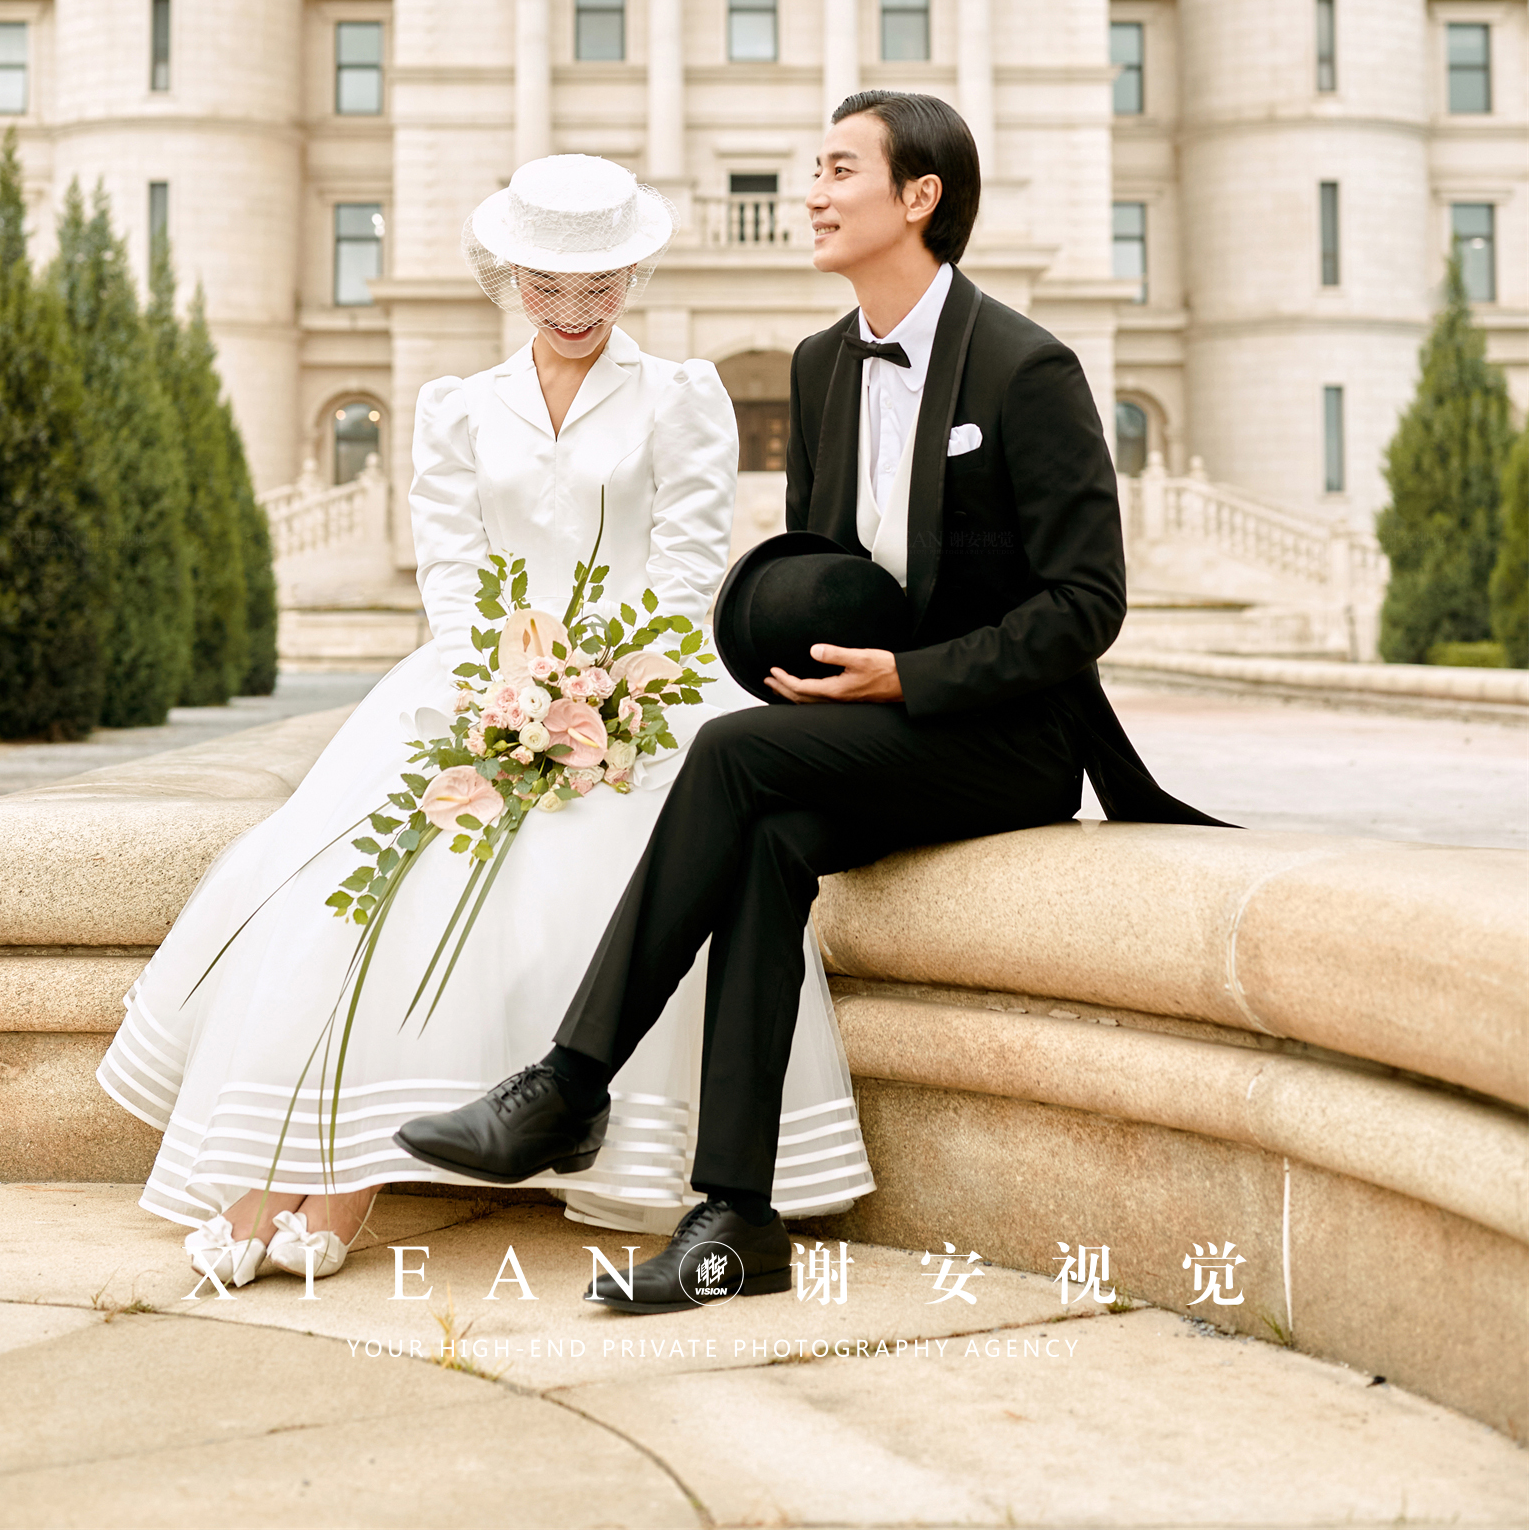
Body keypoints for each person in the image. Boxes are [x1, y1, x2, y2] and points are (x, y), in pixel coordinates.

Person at [397, 93, 1225, 1313]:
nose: (812, 194)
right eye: (814, 171)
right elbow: (824, 568)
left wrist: (912, 676)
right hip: (880, 727)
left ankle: (569, 1083)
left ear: (918, 198)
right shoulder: (822, 364)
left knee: (733, 761)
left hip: (1008, 735)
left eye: (839, 170)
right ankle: (737, 1218)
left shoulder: (1027, 366)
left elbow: (1087, 604)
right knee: (765, 840)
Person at [98, 153, 872, 1292]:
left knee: (583, 877)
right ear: (511, 276)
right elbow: (455, 575)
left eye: (597, 286)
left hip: (642, 692)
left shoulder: (682, 394)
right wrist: (505, 690)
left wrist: (603, 690)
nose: (573, 310)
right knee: (353, 888)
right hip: (479, 681)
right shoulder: (456, 405)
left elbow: (684, 570)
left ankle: (348, 1186)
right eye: (549, 286)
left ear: (632, 276)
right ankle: (291, 1173)